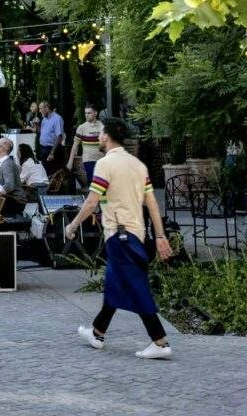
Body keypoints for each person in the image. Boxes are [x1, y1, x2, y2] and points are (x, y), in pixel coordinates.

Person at [68, 117, 174, 358]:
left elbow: (92, 201)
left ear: (106, 136)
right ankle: (97, 333)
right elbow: (153, 205)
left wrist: (73, 225)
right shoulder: (138, 166)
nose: (99, 135)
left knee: (135, 286)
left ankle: (160, 342)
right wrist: (160, 236)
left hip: (119, 235)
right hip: (135, 234)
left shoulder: (105, 164)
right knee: (115, 284)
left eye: (101, 132)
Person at [68, 104, 105, 190]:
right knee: (94, 184)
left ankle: (98, 202)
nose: (87, 115)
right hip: (88, 160)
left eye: (89, 113)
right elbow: (75, 146)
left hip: (101, 160)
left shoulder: (102, 126)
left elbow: (106, 143)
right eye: (85, 113)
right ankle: (93, 202)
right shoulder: (82, 128)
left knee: (102, 185)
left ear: (95, 113)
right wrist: (70, 162)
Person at [0, 136, 27, 214]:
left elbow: (9, 186)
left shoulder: (7, 164)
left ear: (3, 148)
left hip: (16, 201)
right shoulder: (4, 162)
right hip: (13, 200)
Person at [37, 100, 66, 178]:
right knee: (46, 173)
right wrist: (36, 125)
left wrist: (52, 152)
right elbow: (43, 132)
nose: (39, 111)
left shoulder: (57, 118)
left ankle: (57, 190)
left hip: (53, 149)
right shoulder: (44, 119)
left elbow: (59, 136)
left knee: (54, 174)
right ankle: (49, 189)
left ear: (46, 108)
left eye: (40, 108)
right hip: (44, 149)